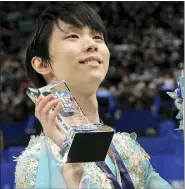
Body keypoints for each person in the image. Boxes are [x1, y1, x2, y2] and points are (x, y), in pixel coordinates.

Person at [14, 2, 173, 189]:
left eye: (97, 37)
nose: (92, 44)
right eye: (73, 35)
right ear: (42, 64)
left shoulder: (127, 149)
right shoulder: (37, 160)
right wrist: (73, 172)